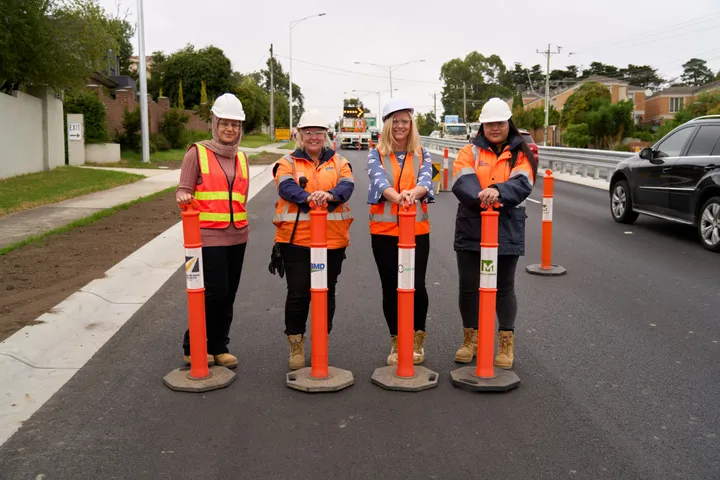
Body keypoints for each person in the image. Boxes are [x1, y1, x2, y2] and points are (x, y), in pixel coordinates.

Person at [451, 97, 538, 369]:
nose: (495, 128)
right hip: (471, 225)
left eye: (499, 123)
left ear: (508, 123)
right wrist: (483, 197)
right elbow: (461, 180)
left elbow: (523, 183)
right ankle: (471, 339)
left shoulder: (521, 154)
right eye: (489, 124)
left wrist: (498, 191)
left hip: (506, 226)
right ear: (482, 126)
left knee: (504, 287)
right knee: (468, 287)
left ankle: (505, 343)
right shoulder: (469, 151)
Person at [271, 110, 355, 370]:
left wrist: (327, 196)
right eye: (308, 132)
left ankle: (321, 339)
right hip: (295, 240)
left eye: (319, 132)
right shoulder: (287, 162)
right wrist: (308, 198)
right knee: (298, 292)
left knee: (326, 291)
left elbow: (347, 186)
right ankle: (296, 342)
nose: (314, 137)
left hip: (332, 241)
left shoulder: (340, 161)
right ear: (299, 134)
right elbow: (285, 186)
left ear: (326, 135)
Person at [175, 93, 250, 369]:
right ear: (215, 123)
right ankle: (193, 345)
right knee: (213, 293)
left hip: (237, 236)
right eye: (225, 123)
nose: (230, 129)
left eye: (235, 124)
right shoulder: (197, 152)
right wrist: (183, 197)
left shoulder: (241, 158)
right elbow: (183, 189)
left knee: (228, 294)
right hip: (207, 237)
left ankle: (219, 346)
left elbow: (242, 196)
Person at [367, 99, 435, 366]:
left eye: (404, 121)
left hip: (417, 231)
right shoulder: (376, 154)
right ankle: (397, 340)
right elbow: (379, 180)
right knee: (390, 287)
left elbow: (426, 181)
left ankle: (417, 339)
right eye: (394, 121)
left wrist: (413, 193)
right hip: (384, 232)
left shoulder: (422, 153)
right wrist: (397, 197)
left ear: (411, 124)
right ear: (386, 125)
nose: (400, 126)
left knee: (417, 285)